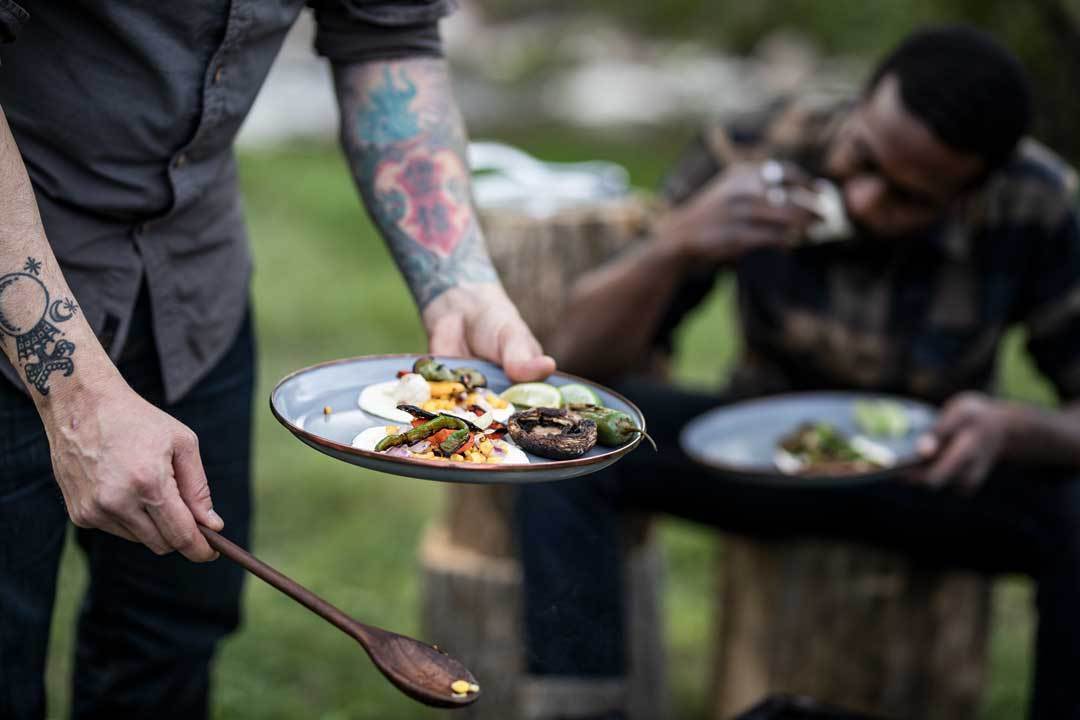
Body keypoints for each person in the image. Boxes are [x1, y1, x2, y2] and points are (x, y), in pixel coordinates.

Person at [0, 3, 554, 719]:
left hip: (193, 289)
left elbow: (388, 36)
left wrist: (458, 282)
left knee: (170, 637)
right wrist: (73, 388)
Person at [515, 26, 1080, 720]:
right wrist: (679, 242)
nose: (869, 202)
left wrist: (1020, 428)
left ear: (974, 191)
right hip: (753, 457)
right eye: (862, 160)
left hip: (931, 473)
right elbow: (580, 357)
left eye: (911, 198)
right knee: (566, 434)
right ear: (863, 103)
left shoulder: (1039, 199)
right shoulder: (753, 146)